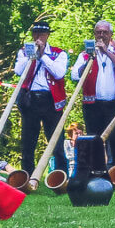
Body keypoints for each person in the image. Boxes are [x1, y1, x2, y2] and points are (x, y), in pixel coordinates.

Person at [72, 21, 115, 179]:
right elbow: (75, 76)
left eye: (104, 32)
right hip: (93, 105)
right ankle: (97, 176)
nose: (101, 35)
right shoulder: (85, 54)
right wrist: (89, 59)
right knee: (95, 141)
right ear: (94, 34)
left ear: (110, 35)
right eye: (98, 32)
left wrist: (106, 52)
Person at [11, 19, 70, 177]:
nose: (38, 37)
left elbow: (59, 73)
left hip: (51, 101)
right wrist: (32, 56)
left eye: (42, 34)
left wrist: (43, 55)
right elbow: (18, 71)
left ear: (47, 35)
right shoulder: (24, 51)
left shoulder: (59, 53)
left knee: (56, 141)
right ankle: (27, 176)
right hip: (31, 100)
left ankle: (61, 176)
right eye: (36, 33)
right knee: (28, 141)